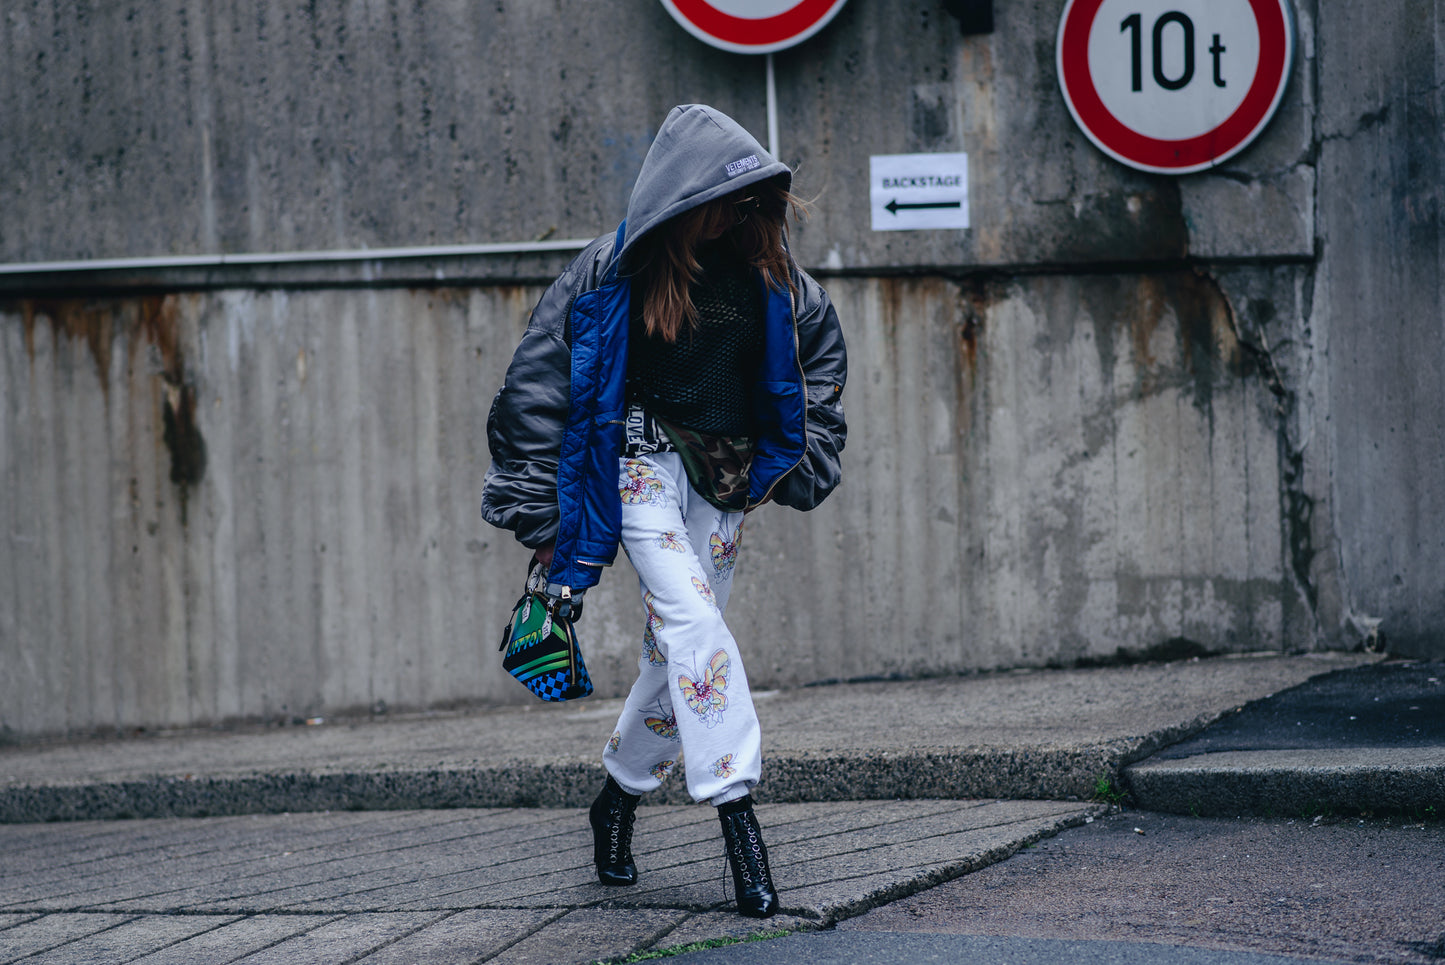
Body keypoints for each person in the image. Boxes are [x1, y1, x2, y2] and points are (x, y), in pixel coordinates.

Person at [481, 104, 847, 918]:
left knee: (672, 652)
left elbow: (818, 355)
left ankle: (616, 798)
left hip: (721, 479)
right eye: (726, 200)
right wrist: (543, 512)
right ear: (680, 200)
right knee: (693, 626)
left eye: (754, 200)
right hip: (634, 469)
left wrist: (801, 451)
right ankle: (738, 820)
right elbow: (535, 388)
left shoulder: (770, 271)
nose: (742, 215)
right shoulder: (612, 270)